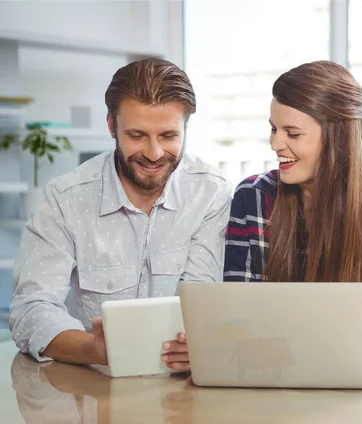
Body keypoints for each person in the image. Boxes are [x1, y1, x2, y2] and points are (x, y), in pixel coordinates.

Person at [9, 58, 231, 371]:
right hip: (93, 385)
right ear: (112, 126)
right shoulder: (65, 199)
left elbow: (203, 301)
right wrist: (95, 349)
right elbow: (31, 309)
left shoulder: (209, 192)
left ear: (186, 128)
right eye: (137, 135)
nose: (154, 153)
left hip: (182, 386)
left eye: (168, 136)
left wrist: (198, 342)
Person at [223, 60, 362, 361]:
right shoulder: (252, 199)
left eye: (292, 133)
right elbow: (234, 312)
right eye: (274, 129)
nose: (276, 143)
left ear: (337, 136)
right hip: (274, 382)